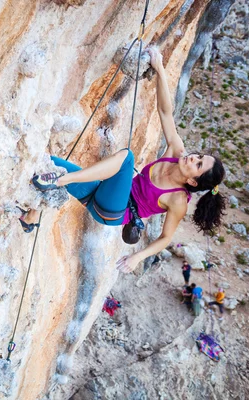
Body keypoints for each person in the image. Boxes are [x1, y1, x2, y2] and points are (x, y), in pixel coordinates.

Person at [19, 47, 227, 273]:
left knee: (127, 157)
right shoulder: (176, 152)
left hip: (113, 212)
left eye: (198, 165)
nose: (193, 158)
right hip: (99, 193)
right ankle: (31, 217)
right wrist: (160, 69)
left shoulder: (178, 201)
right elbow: (165, 112)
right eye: (199, 156)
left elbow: (166, 237)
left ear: (194, 182)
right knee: (48, 162)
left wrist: (137, 257)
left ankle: (61, 180)